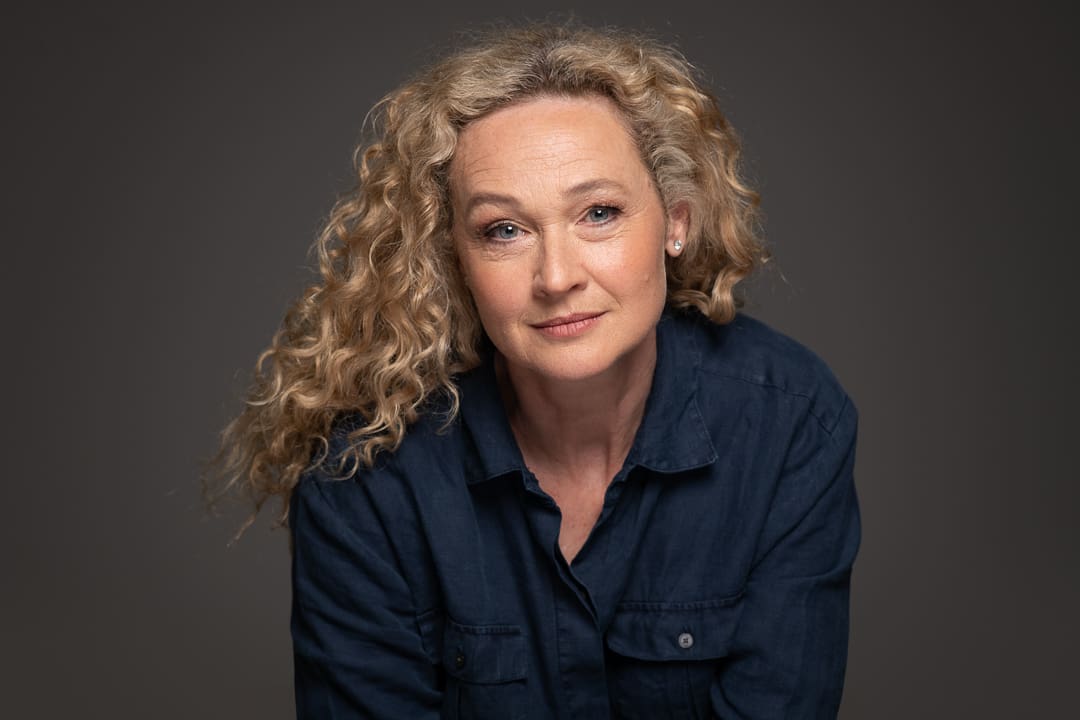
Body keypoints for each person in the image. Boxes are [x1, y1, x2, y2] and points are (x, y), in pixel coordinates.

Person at [210, 22, 860, 719]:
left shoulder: (790, 423)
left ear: (675, 222)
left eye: (599, 214)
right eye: (504, 230)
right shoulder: (367, 472)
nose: (556, 277)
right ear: (454, 255)